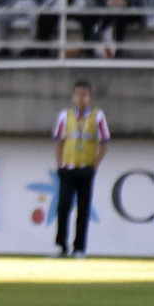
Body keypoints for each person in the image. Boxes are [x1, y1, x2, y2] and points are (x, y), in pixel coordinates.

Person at [53, 81, 109, 258]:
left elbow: (104, 141)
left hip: (86, 169)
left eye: (84, 94)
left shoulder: (97, 116)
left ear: (90, 97)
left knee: (83, 210)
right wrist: (59, 164)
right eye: (78, 94)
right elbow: (59, 141)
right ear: (73, 97)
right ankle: (62, 246)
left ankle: (79, 248)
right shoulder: (65, 116)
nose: (81, 98)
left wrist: (95, 164)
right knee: (63, 207)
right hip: (68, 168)